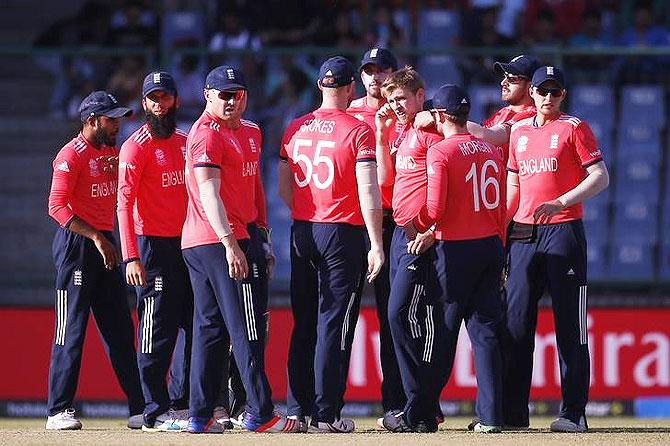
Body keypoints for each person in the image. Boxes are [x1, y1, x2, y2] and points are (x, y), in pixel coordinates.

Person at [181, 65, 289, 434]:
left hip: (228, 238)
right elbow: (209, 193)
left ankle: (199, 415)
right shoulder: (206, 135)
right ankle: (260, 413)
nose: (231, 100)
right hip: (218, 240)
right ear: (208, 95)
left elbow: (254, 186)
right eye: (224, 94)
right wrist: (232, 244)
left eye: (237, 93)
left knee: (210, 328)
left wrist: (264, 236)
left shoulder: (252, 131)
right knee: (246, 325)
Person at [279, 56, 384, 433]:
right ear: (350, 88)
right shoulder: (358, 130)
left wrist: (308, 212)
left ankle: (296, 409)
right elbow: (368, 189)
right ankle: (327, 414)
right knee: (334, 325)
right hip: (342, 232)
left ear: (321, 86)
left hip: (303, 230)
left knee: (303, 323)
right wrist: (376, 242)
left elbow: (282, 187)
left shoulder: (295, 127)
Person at [503, 66, 609, 432]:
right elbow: (513, 184)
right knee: (515, 325)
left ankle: (573, 413)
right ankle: (513, 415)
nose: (549, 98)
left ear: (563, 95)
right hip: (522, 234)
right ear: (531, 92)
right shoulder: (517, 131)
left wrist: (561, 201)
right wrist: (502, 226)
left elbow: (600, 176)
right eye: (543, 91)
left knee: (570, 326)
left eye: (556, 92)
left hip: (563, 232)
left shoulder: (573, 127)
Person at [406, 84, 507, 433]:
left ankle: (421, 413)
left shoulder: (441, 152)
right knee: (486, 333)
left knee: (442, 333)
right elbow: (501, 207)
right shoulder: (491, 151)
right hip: (490, 245)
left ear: (439, 116)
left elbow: (434, 209)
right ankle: (492, 417)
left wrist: (412, 224)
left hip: (455, 250)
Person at [46, 90, 144, 430]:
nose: (117, 125)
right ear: (91, 121)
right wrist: (98, 237)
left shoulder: (110, 153)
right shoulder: (69, 155)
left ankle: (139, 408)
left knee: (119, 330)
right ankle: (58, 410)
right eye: (111, 119)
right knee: (70, 330)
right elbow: (56, 207)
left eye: (118, 118)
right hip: (78, 245)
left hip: (104, 244)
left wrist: (119, 169)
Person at [117, 71, 193, 432]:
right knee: (155, 326)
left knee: (196, 324)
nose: (159, 105)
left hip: (188, 244)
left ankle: (181, 403)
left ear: (175, 100)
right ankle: (153, 408)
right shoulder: (135, 147)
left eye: (165, 98)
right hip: (151, 247)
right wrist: (130, 255)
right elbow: (123, 205)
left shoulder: (185, 141)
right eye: (153, 99)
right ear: (144, 103)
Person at [374, 67, 442, 433]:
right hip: (401, 232)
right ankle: (420, 407)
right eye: (391, 100)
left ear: (420, 95)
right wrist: (383, 133)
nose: (396, 105)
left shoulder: (431, 130)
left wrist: (432, 228)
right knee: (401, 315)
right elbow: (387, 180)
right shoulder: (400, 131)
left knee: (406, 314)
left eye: (402, 98)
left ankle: (421, 405)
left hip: (422, 233)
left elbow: (442, 181)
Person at [346, 47, 406, 423]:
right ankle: (324, 408)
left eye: (382, 70)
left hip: (395, 220)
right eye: (368, 70)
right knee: (340, 316)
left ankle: (396, 404)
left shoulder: (405, 114)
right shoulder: (347, 113)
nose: (375, 77)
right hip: (353, 223)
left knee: (394, 316)